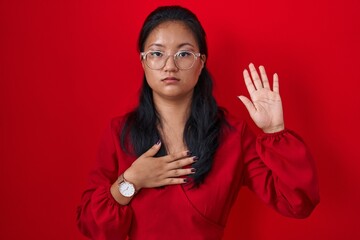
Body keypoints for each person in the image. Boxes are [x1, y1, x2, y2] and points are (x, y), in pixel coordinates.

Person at [76, 5, 319, 240]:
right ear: (143, 62)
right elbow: (92, 226)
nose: (170, 66)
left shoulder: (233, 135)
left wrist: (275, 131)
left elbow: (297, 203)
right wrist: (130, 181)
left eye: (184, 54)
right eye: (157, 53)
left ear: (201, 62)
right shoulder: (120, 132)